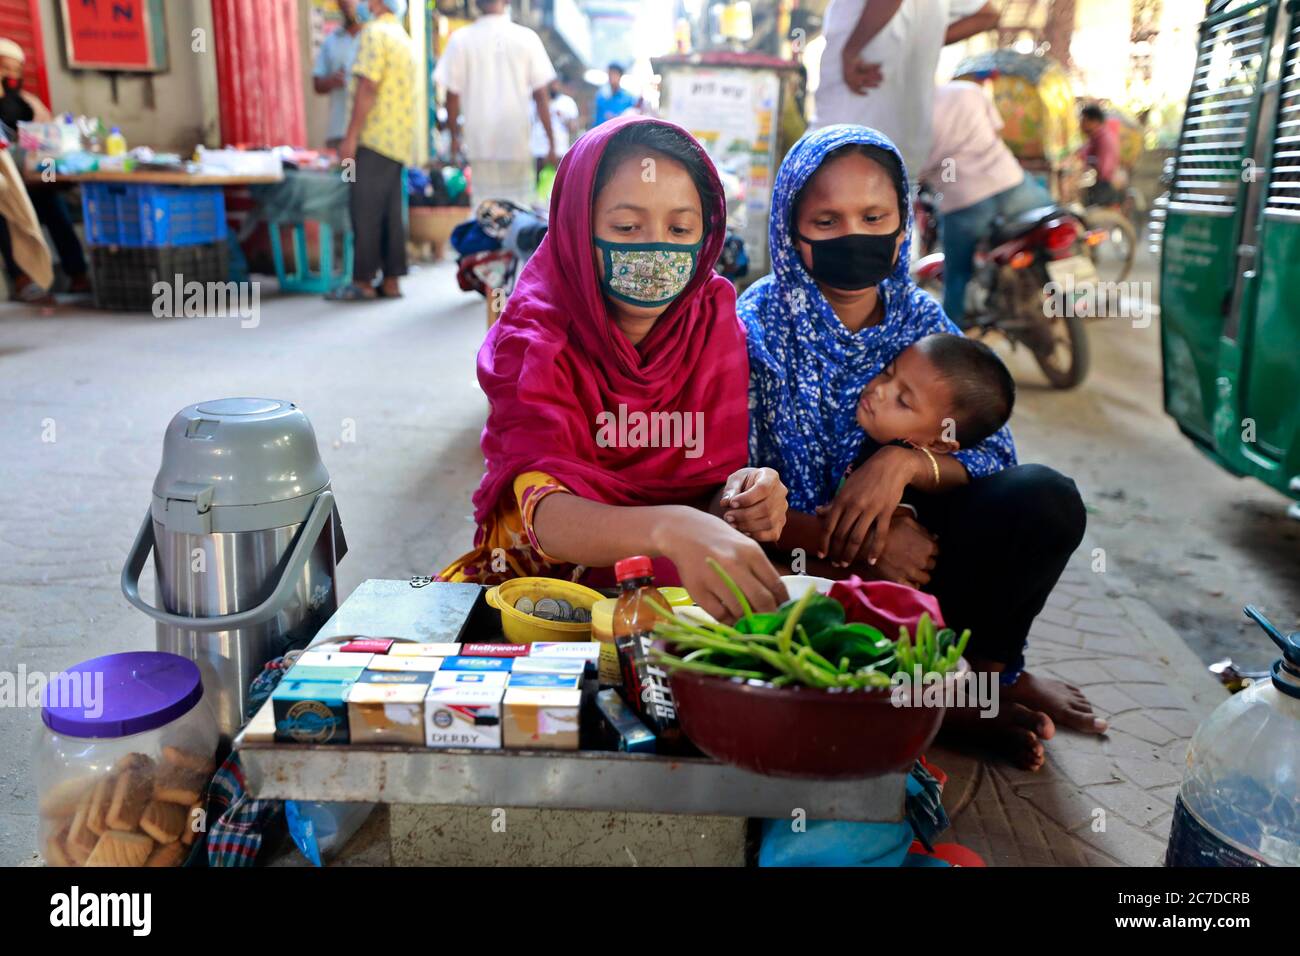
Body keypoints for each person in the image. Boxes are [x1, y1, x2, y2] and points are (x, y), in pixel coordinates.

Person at [739, 125, 1104, 770]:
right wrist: (848, 539)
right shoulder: (755, 327)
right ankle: (928, 701)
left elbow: (993, 453)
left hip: (919, 558)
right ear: (789, 228)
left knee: (1043, 498)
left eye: (874, 216)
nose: (855, 234)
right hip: (798, 565)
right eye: (826, 219)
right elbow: (730, 492)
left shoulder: (921, 318)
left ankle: (987, 682)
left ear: (903, 224)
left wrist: (906, 461)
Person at [440, 116, 791, 622]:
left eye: (680, 229)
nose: (656, 250)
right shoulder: (532, 337)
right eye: (627, 228)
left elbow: (710, 489)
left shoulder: (712, 318)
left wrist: (744, 498)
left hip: (671, 591)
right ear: (576, 228)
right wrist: (671, 528)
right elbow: (546, 513)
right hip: (545, 596)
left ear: (706, 233)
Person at [918, 81, 1052, 325]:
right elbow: (996, 130)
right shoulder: (967, 91)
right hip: (1010, 182)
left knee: (957, 274)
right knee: (1051, 226)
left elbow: (917, 170)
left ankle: (952, 338)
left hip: (964, 198)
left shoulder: (911, 121)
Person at [813, 0, 999, 174]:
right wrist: (924, 40)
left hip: (849, 144)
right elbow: (987, 14)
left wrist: (852, 50)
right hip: (903, 150)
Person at [330, 0, 415, 302]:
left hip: (374, 138)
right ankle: (391, 280)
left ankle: (363, 280)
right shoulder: (405, 41)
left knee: (364, 209)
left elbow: (368, 86)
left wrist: (350, 137)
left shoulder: (374, 34)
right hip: (398, 142)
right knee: (391, 213)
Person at [435, 0, 558, 207]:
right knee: (518, 212)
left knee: (484, 211)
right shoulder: (527, 39)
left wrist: (455, 138)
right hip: (516, 145)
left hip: (480, 145)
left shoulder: (461, 40)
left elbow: (452, 96)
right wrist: (551, 143)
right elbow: (541, 96)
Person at [0, 37, 89, 300]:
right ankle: (22, 278)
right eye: (5, 67)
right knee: (5, 211)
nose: (11, 75)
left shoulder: (27, 102)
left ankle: (78, 274)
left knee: (54, 204)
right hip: (6, 183)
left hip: (31, 179)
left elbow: (48, 134)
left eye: (16, 69)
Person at [313, 0, 363, 152]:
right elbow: (317, 84)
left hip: (369, 134)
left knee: (364, 176)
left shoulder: (373, 37)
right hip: (339, 131)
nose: (347, 3)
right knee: (346, 175)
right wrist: (332, 81)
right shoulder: (331, 40)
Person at [530, 80, 579, 181]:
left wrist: (563, 117)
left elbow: (574, 127)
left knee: (559, 182)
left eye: (556, 83)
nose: (553, 86)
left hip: (560, 151)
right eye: (551, 84)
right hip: (538, 151)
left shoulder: (567, 102)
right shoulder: (536, 102)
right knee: (538, 185)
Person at [1078, 102, 1122, 206]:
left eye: (1084, 120)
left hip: (1103, 188)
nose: (1081, 124)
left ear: (1094, 121)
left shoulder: (1102, 139)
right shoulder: (1098, 137)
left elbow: (1103, 169)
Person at [593, 63, 640, 128]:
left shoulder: (628, 98)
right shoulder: (601, 97)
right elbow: (597, 120)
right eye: (609, 74)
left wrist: (616, 119)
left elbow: (632, 118)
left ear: (620, 76)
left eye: (614, 74)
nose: (611, 77)